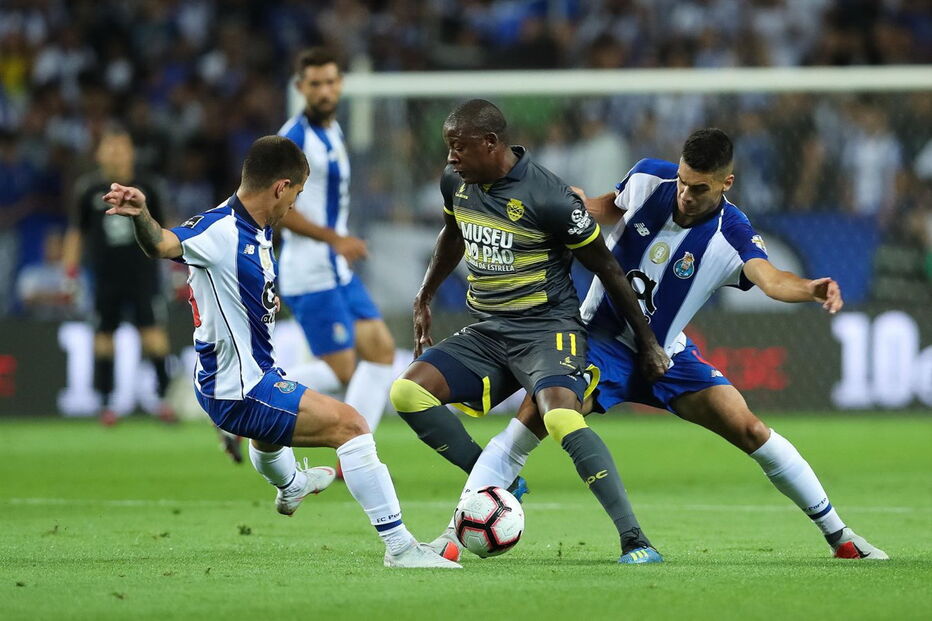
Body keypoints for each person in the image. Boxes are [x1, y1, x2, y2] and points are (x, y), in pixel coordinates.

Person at [437, 128, 888, 563]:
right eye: (684, 181)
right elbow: (609, 208)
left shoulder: (732, 232)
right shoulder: (650, 177)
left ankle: (841, 536)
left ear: (726, 183)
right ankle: (452, 534)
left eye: (699, 189)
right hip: (598, 339)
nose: (685, 195)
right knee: (534, 418)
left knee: (749, 428)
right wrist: (579, 205)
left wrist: (811, 288)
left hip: (666, 354)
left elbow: (771, 280)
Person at [101, 135, 459, 569]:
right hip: (240, 388)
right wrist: (142, 215)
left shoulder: (257, 230)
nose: (294, 206)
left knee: (270, 437)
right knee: (352, 426)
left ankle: (291, 484)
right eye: (296, 195)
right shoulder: (220, 231)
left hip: (243, 378)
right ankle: (401, 549)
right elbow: (159, 244)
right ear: (279, 187)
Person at [388, 99, 669, 562]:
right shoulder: (456, 181)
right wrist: (424, 296)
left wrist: (649, 343)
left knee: (561, 418)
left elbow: (610, 270)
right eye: (448, 148)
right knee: (407, 393)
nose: (450, 158)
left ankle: (634, 539)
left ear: (491, 143)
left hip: (548, 331)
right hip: (490, 331)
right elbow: (453, 233)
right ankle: (507, 483)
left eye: (459, 147)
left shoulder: (550, 197)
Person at [276, 48, 396, 471]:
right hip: (309, 269)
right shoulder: (295, 139)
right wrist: (335, 238)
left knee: (381, 351)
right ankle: (250, 395)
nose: (325, 90)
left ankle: (354, 454)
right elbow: (280, 209)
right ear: (300, 87)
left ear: (340, 83)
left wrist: (339, 244)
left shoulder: (334, 130)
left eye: (331, 82)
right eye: (315, 84)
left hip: (336, 267)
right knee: (342, 368)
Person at [62, 123, 176, 425]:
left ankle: (163, 399)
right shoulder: (87, 189)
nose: (115, 154)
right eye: (109, 147)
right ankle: (105, 403)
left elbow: (166, 230)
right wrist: (70, 272)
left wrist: (175, 266)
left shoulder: (148, 187)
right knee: (103, 335)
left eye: (121, 147)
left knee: (153, 335)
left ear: (131, 153)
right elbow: (77, 232)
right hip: (103, 276)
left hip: (144, 274)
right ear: (99, 153)